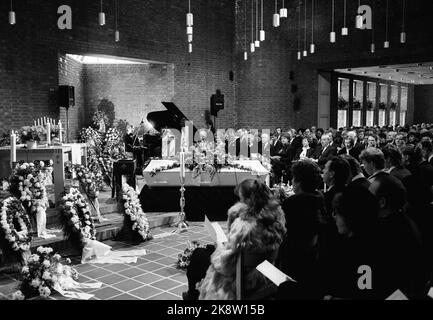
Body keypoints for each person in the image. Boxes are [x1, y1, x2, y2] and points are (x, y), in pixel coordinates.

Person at [184, 179, 286, 300]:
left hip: (243, 277)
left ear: (249, 200)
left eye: (241, 199)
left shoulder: (245, 226)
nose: (240, 202)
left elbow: (226, 264)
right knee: (205, 252)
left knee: (198, 255)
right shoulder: (277, 218)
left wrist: (220, 248)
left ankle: (192, 296)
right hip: (266, 271)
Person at [368, 174, 429, 299]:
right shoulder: (403, 222)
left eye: (369, 196)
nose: (365, 200)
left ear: (382, 202)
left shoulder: (385, 233)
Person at [319, 185, 380, 299]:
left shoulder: (357, 252)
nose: (334, 216)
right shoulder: (378, 241)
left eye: (337, 212)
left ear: (351, 216)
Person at [276, 160, 325, 300]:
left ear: (298, 182)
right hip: (314, 261)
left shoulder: (293, 203)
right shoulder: (319, 197)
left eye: (293, 178)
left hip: (294, 260)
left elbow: (282, 230)